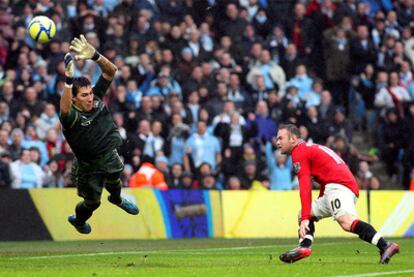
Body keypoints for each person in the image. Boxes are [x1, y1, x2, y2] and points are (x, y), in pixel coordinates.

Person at [275, 124, 399, 264]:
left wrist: (305, 218)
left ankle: (385, 245)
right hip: (337, 186)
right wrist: (306, 214)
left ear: (292, 139)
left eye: (280, 138)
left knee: (346, 222)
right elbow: (329, 170)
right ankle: (304, 247)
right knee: (306, 212)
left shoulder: (299, 151)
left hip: (338, 186)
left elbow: (305, 184)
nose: (277, 142)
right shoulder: (310, 147)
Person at [60, 35, 139, 234]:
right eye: (84, 95)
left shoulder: (95, 98)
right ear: (75, 99)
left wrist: (95, 55)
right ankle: (78, 220)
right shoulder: (71, 117)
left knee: (115, 178)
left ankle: (117, 198)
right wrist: (69, 81)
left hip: (108, 153)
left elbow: (111, 70)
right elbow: (64, 108)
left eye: (90, 93)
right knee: (92, 203)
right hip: (87, 166)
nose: (89, 98)